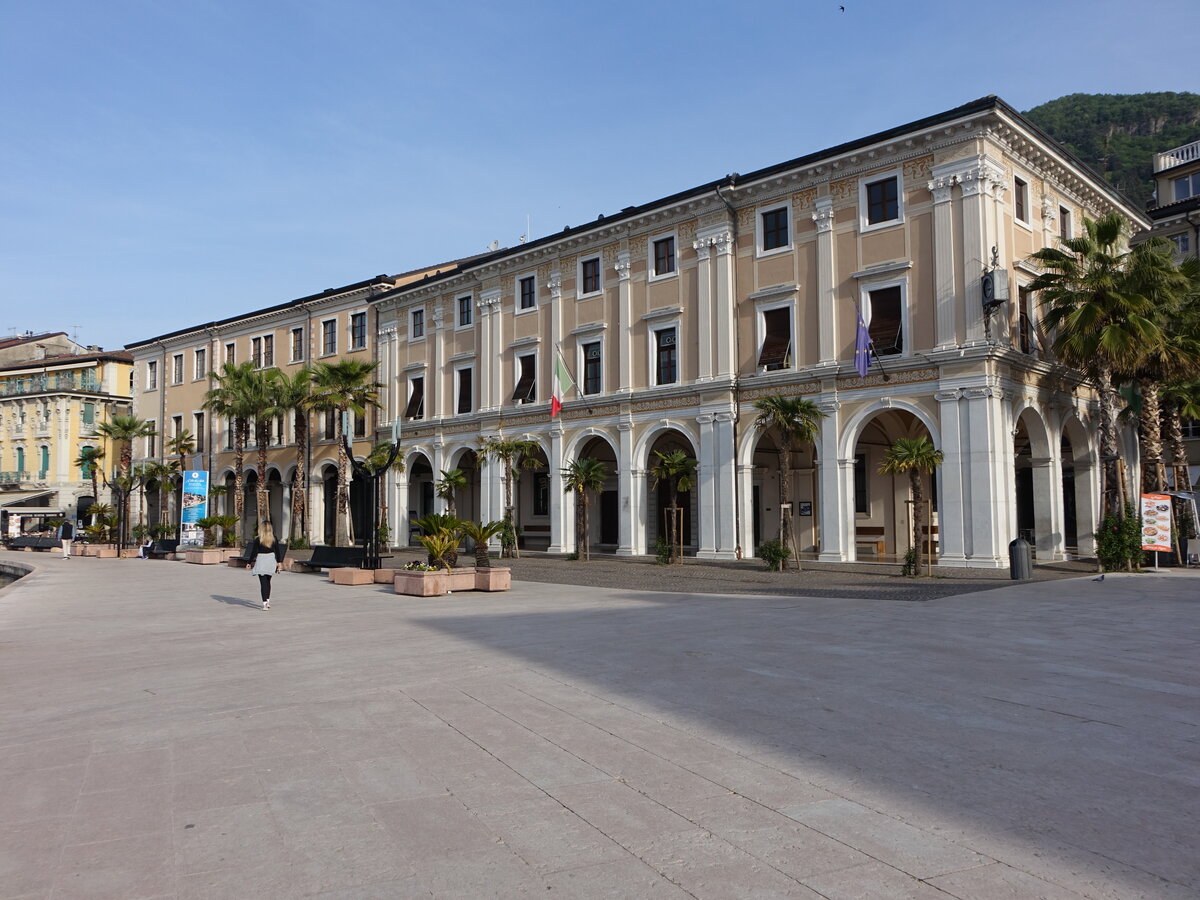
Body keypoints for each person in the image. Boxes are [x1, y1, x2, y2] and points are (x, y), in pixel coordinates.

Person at [247, 521, 286, 610]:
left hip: (261, 560)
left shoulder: (258, 539)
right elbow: (278, 551)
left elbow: (253, 552)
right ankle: (267, 601)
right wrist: (279, 562)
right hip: (271, 560)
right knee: (268, 582)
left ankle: (265, 603)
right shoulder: (274, 538)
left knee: (263, 583)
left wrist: (249, 563)